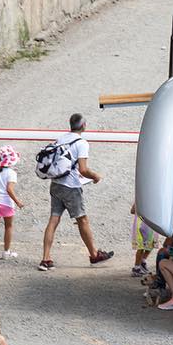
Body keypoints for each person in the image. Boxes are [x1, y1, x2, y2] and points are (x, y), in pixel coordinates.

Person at [39, 114, 112, 271]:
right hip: (71, 186)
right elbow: (83, 169)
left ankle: (45, 258)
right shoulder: (82, 143)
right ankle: (94, 254)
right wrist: (95, 176)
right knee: (82, 220)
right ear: (84, 125)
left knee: (53, 220)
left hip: (56, 183)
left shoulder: (61, 138)